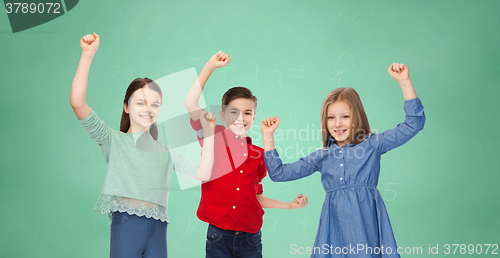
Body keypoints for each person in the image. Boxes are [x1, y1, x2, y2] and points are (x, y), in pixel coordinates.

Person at [70, 32, 216, 258]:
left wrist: (209, 133)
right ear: (127, 107)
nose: (148, 109)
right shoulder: (113, 140)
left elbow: (204, 173)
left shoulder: (166, 153)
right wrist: (87, 56)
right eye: (140, 102)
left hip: (158, 229)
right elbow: (77, 103)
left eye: (155, 105)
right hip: (127, 225)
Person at [261, 63, 425, 257]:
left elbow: (414, 124)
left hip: (367, 226)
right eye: (331, 118)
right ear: (324, 120)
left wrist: (404, 82)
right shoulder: (322, 156)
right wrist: (268, 137)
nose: (338, 124)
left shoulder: (373, 144)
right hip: (334, 231)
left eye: (345, 116)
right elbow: (279, 174)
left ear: (357, 117)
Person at [184, 51, 309, 258]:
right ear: (223, 115)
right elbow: (190, 103)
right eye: (233, 112)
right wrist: (209, 66)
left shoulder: (259, 155)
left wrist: (289, 205)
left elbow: (255, 197)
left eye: (247, 113)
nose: (241, 118)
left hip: (251, 238)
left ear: (254, 116)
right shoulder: (213, 136)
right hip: (218, 236)